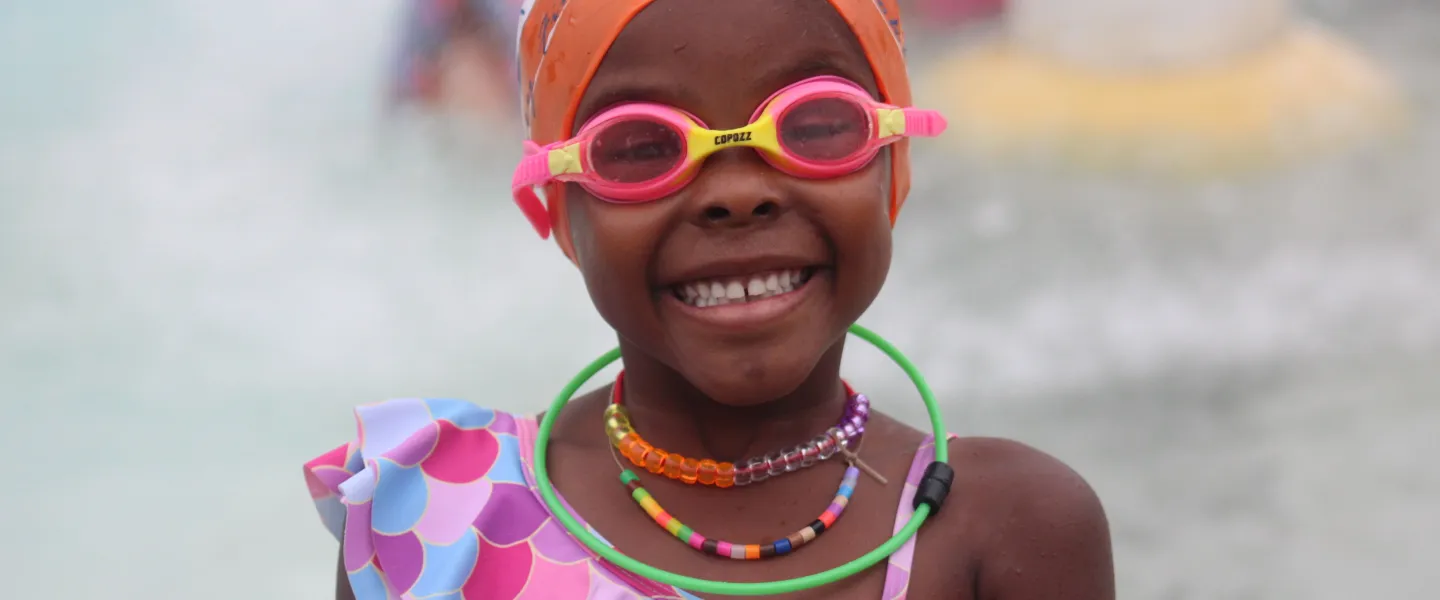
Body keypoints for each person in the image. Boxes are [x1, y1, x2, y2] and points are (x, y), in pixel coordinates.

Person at [304, 0, 1115, 598]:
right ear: (557, 208)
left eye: (816, 125)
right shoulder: (436, 514)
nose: (735, 193)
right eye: (642, 147)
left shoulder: (1003, 530)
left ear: (892, 170)